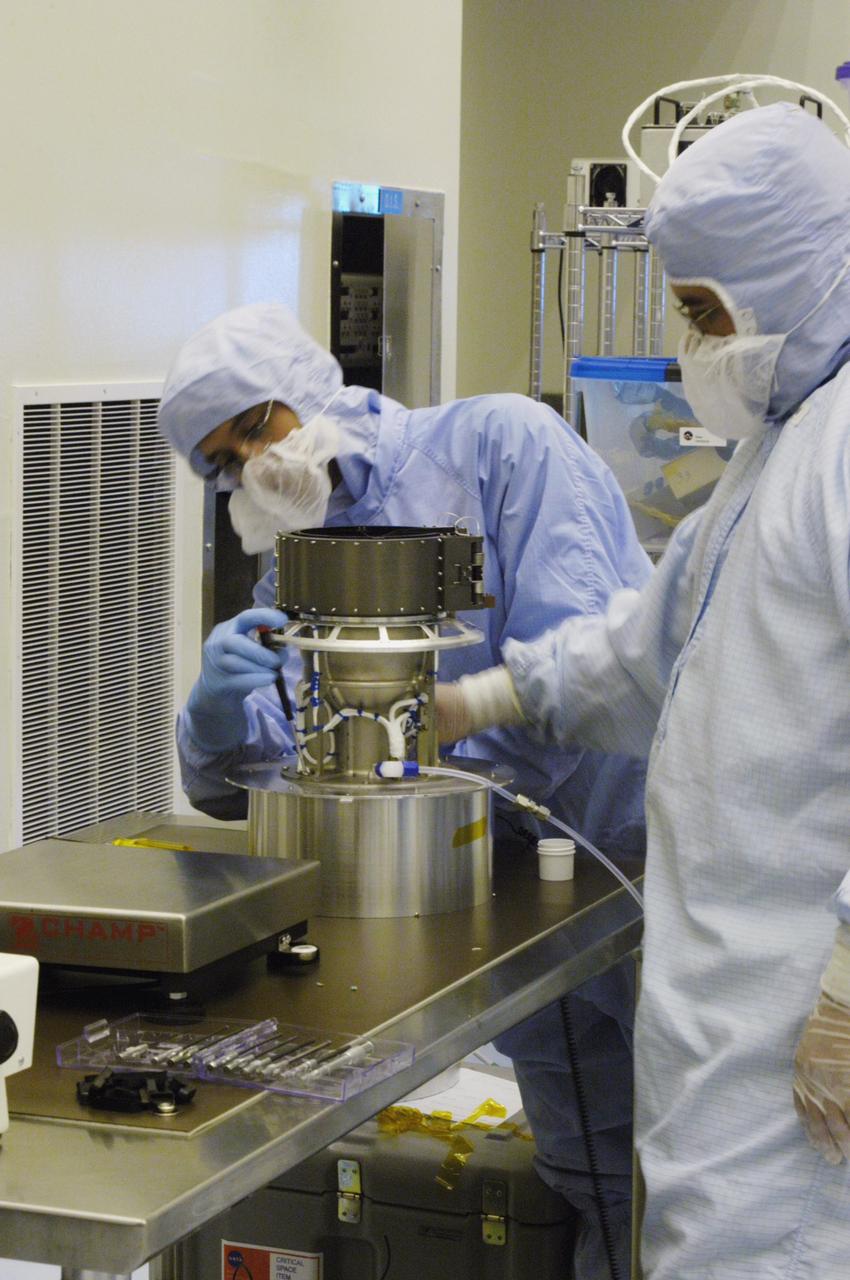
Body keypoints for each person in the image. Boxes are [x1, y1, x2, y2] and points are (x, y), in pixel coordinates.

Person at [437, 101, 850, 1279]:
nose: (694, 349)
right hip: (727, 1033)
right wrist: (496, 693)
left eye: (704, 313)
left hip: (805, 1049)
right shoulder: (780, 447)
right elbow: (651, 651)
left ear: (791, 282)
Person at [157, 301, 652, 1278]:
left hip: (632, 865)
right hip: (507, 912)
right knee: (590, 1170)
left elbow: (593, 676)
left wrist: (444, 730)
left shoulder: (496, 447)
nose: (252, 465)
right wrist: (212, 721)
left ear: (312, 390)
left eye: (258, 425)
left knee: (695, 1171)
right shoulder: (297, 567)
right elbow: (247, 776)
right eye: (223, 460)